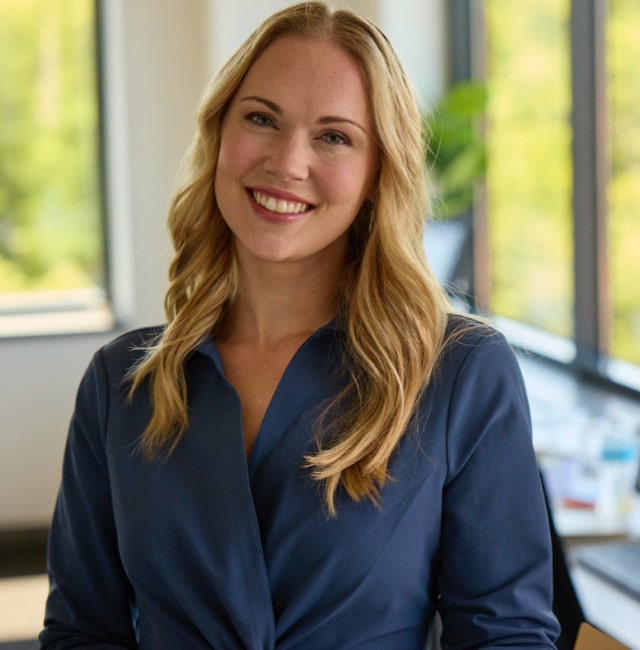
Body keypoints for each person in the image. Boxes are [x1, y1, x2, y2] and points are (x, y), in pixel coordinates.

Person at [40, 3, 560, 648]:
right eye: (262, 119)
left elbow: (504, 634)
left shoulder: (458, 371)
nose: (288, 162)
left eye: (334, 136)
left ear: (377, 173)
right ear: (220, 135)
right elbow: (81, 632)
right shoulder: (122, 383)